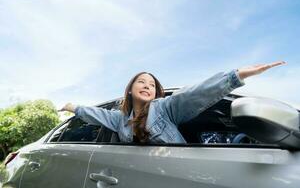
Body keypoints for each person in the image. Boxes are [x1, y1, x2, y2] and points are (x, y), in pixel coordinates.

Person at [60, 61, 286, 143]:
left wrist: (236, 76)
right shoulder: (119, 119)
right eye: (141, 81)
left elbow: (196, 94)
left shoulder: (165, 108)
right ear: (130, 90)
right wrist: (71, 106)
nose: (147, 85)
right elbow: (91, 113)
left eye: (152, 84)